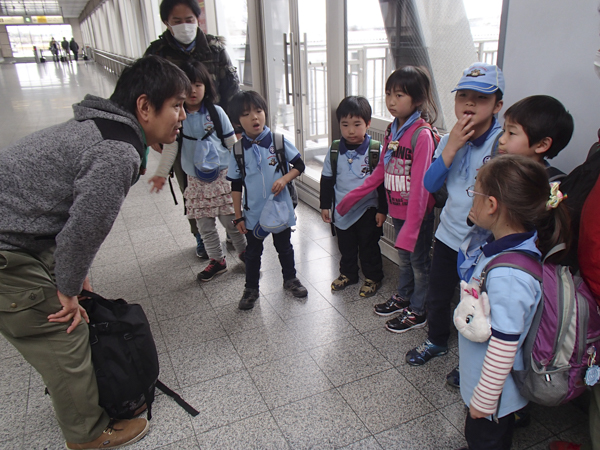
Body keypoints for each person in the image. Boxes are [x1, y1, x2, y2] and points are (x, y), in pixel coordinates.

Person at [0, 55, 190, 449]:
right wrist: (67, 290)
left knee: (64, 307)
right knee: (62, 329)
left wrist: (72, 273)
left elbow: (72, 220)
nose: (183, 115)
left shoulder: (100, 128)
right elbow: (83, 230)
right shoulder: (117, 152)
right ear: (143, 106)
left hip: (18, 231)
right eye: (176, 105)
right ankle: (87, 434)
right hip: (7, 247)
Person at [456, 155, 569, 450]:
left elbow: (505, 344)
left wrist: (484, 398)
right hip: (486, 386)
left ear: (492, 205)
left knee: (487, 442)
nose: (472, 199)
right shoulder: (509, 247)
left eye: (474, 192)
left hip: (493, 395)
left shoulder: (509, 275)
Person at [405, 62, 504, 365]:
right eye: (463, 96)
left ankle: (472, 362)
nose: (470, 103)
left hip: (484, 245)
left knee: (478, 306)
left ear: (498, 105)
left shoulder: (502, 143)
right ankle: (436, 340)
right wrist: (452, 148)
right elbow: (430, 184)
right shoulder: (450, 139)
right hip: (448, 236)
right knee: (439, 294)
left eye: (481, 97)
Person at [336, 67, 437, 329]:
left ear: (417, 98)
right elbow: (381, 169)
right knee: (405, 259)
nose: (391, 101)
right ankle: (404, 296)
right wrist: (352, 197)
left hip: (417, 215)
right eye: (388, 94)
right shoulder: (394, 129)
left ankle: (418, 309)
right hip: (398, 210)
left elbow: (421, 187)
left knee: (418, 263)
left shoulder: (421, 134)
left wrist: (412, 227)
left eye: (399, 95)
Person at [144, 0, 240, 259]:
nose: (184, 25)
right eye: (177, 21)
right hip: (177, 129)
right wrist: (152, 133)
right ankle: (201, 234)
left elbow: (231, 90)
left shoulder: (215, 49)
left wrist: (237, 129)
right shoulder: (157, 54)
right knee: (192, 186)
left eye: (189, 19)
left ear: (198, 19)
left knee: (228, 183)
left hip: (215, 128)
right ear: (166, 22)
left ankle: (234, 228)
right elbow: (147, 94)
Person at [148, 61, 246, 281]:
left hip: (222, 176)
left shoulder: (216, 112)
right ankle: (217, 260)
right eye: (188, 85)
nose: (193, 90)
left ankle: (245, 253)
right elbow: (171, 146)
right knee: (204, 225)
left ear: (206, 87)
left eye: (198, 84)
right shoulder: (177, 116)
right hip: (195, 179)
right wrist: (161, 174)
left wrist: (243, 169)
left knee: (231, 220)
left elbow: (231, 142)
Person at [226, 90, 308, 310]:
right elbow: (235, 185)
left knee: (284, 247)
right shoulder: (237, 151)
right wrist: (237, 217)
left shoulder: (278, 141)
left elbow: (300, 165)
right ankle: (251, 288)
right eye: (247, 114)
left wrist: (284, 178)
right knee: (252, 253)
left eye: (259, 111)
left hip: (279, 209)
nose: (255, 117)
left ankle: (290, 279)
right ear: (237, 121)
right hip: (253, 213)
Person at [319, 96, 386, 298]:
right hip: (342, 209)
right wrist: (324, 206)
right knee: (345, 245)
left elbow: (383, 184)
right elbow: (327, 180)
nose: (350, 130)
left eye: (357, 124)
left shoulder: (376, 151)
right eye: (345, 124)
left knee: (368, 245)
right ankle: (348, 273)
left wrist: (383, 210)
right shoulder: (334, 150)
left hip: (368, 209)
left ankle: (373, 276)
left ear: (368, 124)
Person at [497, 95, 574, 180]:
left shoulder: (549, 186)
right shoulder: (497, 170)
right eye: (504, 131)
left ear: (542, 145)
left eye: (511, 133)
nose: (501, 140)